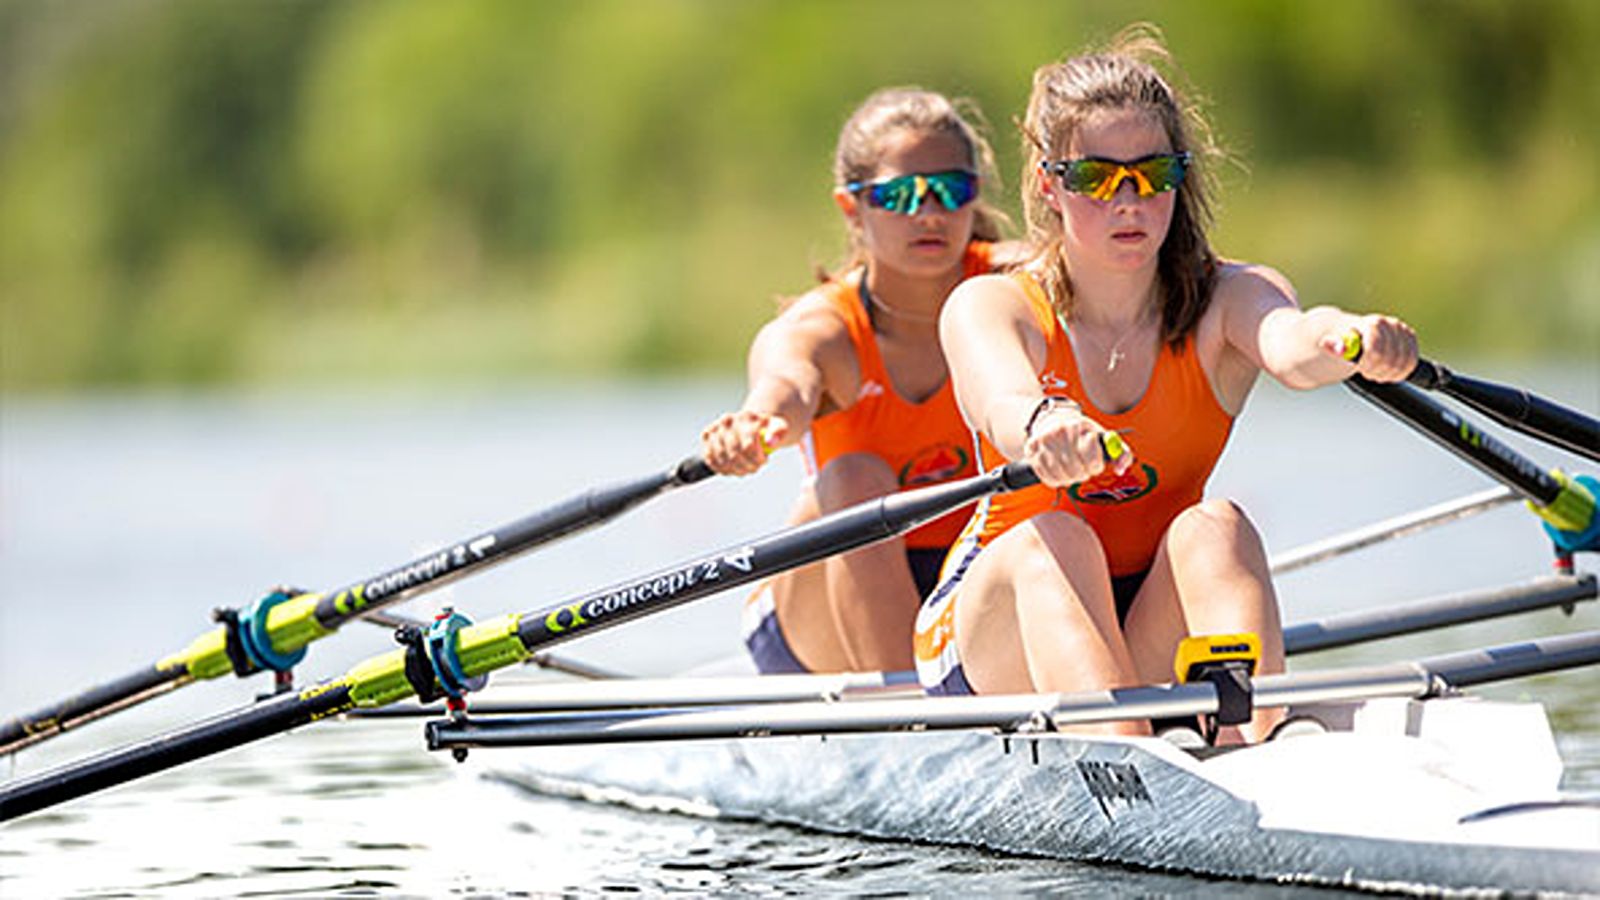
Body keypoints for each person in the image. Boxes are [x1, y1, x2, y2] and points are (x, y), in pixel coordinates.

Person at [913, 25, 1418, 743]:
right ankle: (1127, 760)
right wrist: (1043, 427)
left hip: (1149, 614)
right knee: (1052, 537)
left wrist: (1353, 336)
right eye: (1096, 177)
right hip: (996, 636)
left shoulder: (1228, 298)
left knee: (1218, 529)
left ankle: (1253, 745)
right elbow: (1003, 403)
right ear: (1049, 186)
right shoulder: (990, 306)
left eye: (1153, 174)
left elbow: (1291, 343)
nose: (1129, 199)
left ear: (1181, 178)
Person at [701, 88, 1020, 674]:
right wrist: (755, 425)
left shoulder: (1024, 289)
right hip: (820, 609)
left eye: (951, 191)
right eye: (899, 196)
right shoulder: (825, 329)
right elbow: (783, 384)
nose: (929, 214)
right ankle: (917, 724)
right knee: (854, 477)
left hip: (970, 575)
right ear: (852, 208)